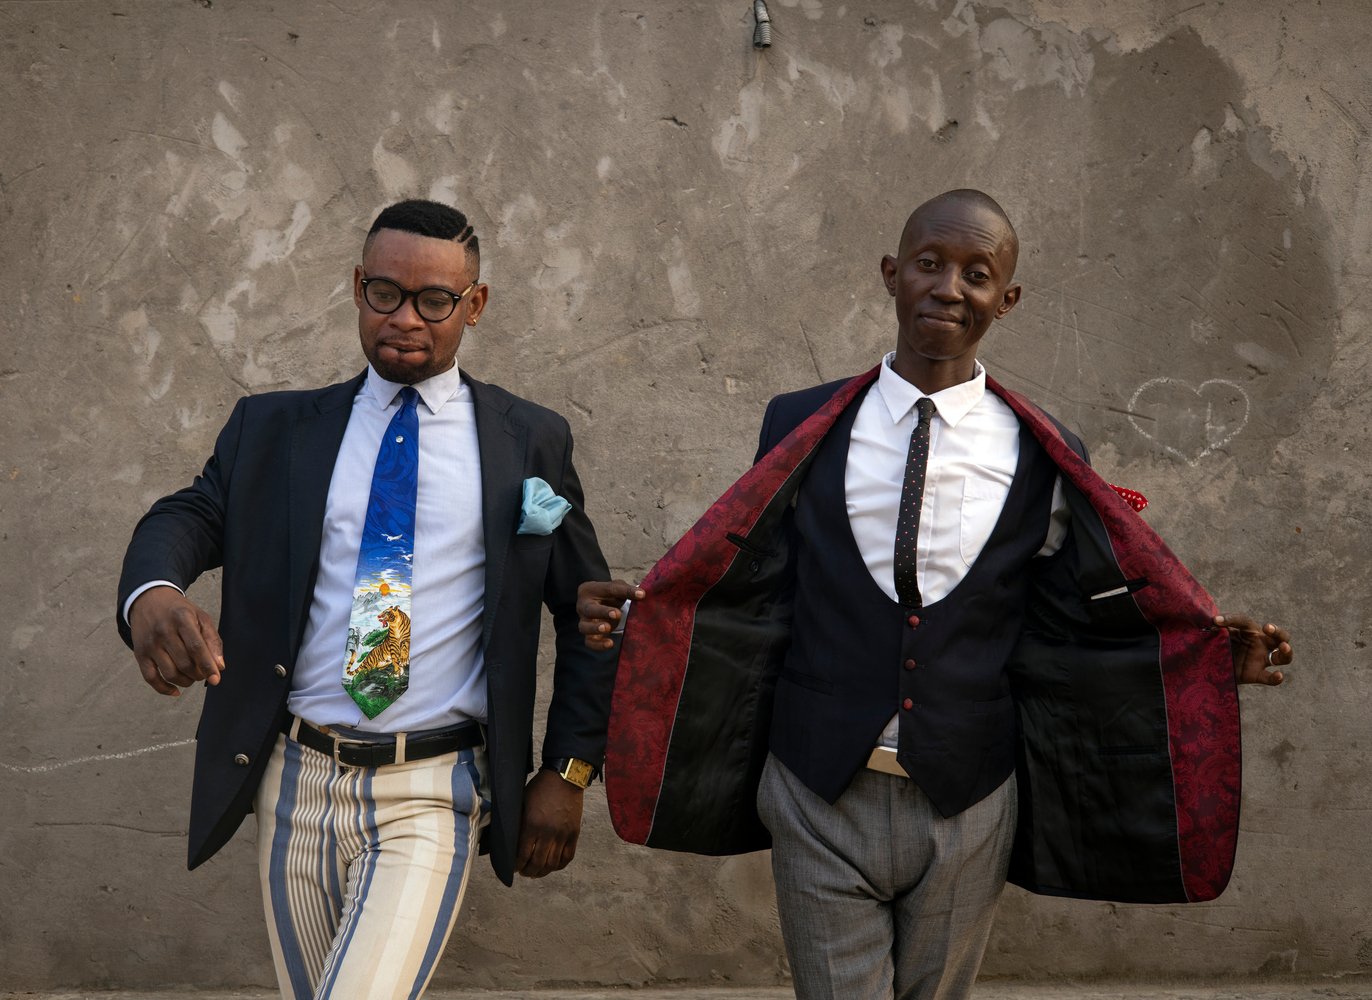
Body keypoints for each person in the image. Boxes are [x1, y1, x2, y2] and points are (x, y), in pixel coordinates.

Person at [578, 189, 1292, 1000]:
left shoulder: (1043, 448)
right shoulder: (799, 422)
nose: (950, 288)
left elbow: (1073, 624)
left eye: (978, 274)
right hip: (817, 787)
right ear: (892, 274)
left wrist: (1202, 657)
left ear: (1007, 299)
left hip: (971, 797)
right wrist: (640, 620)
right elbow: (749, 588)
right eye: (930, 264)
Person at [117, 199, 615, 1000]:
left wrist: (569, 770)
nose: (405, 319)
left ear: (474, 305)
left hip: (434, 786)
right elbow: (190, 515)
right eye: (385, 293)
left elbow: (588, 614)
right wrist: (152, 593)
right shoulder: (274, 429)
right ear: (357, 288)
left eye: (435, 300)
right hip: (293, 783)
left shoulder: (529, 441)